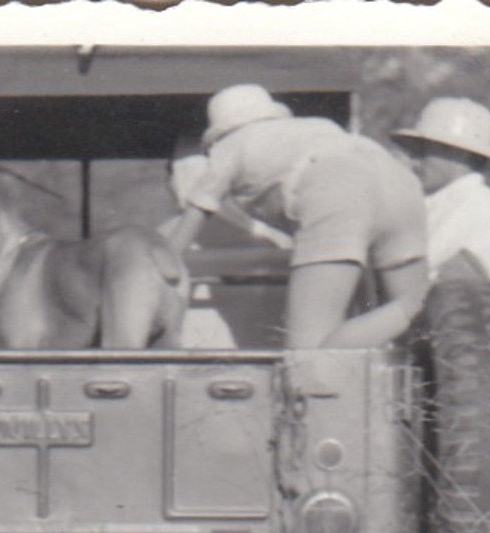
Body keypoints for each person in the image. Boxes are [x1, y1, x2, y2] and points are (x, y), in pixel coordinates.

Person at [164, 84, 429, 350]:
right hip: (399, 181)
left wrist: (166, 261)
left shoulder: (229, 146)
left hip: (338, 186)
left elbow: (200, 206)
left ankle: (416, 303)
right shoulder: (315, 127)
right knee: (417, 328)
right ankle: (428, 297)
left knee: (309, 354)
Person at [391, 97, 490, 289]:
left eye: (425, 149)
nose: (416, 160)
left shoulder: (477, 202)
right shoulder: (438, 201)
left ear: (460, 153)